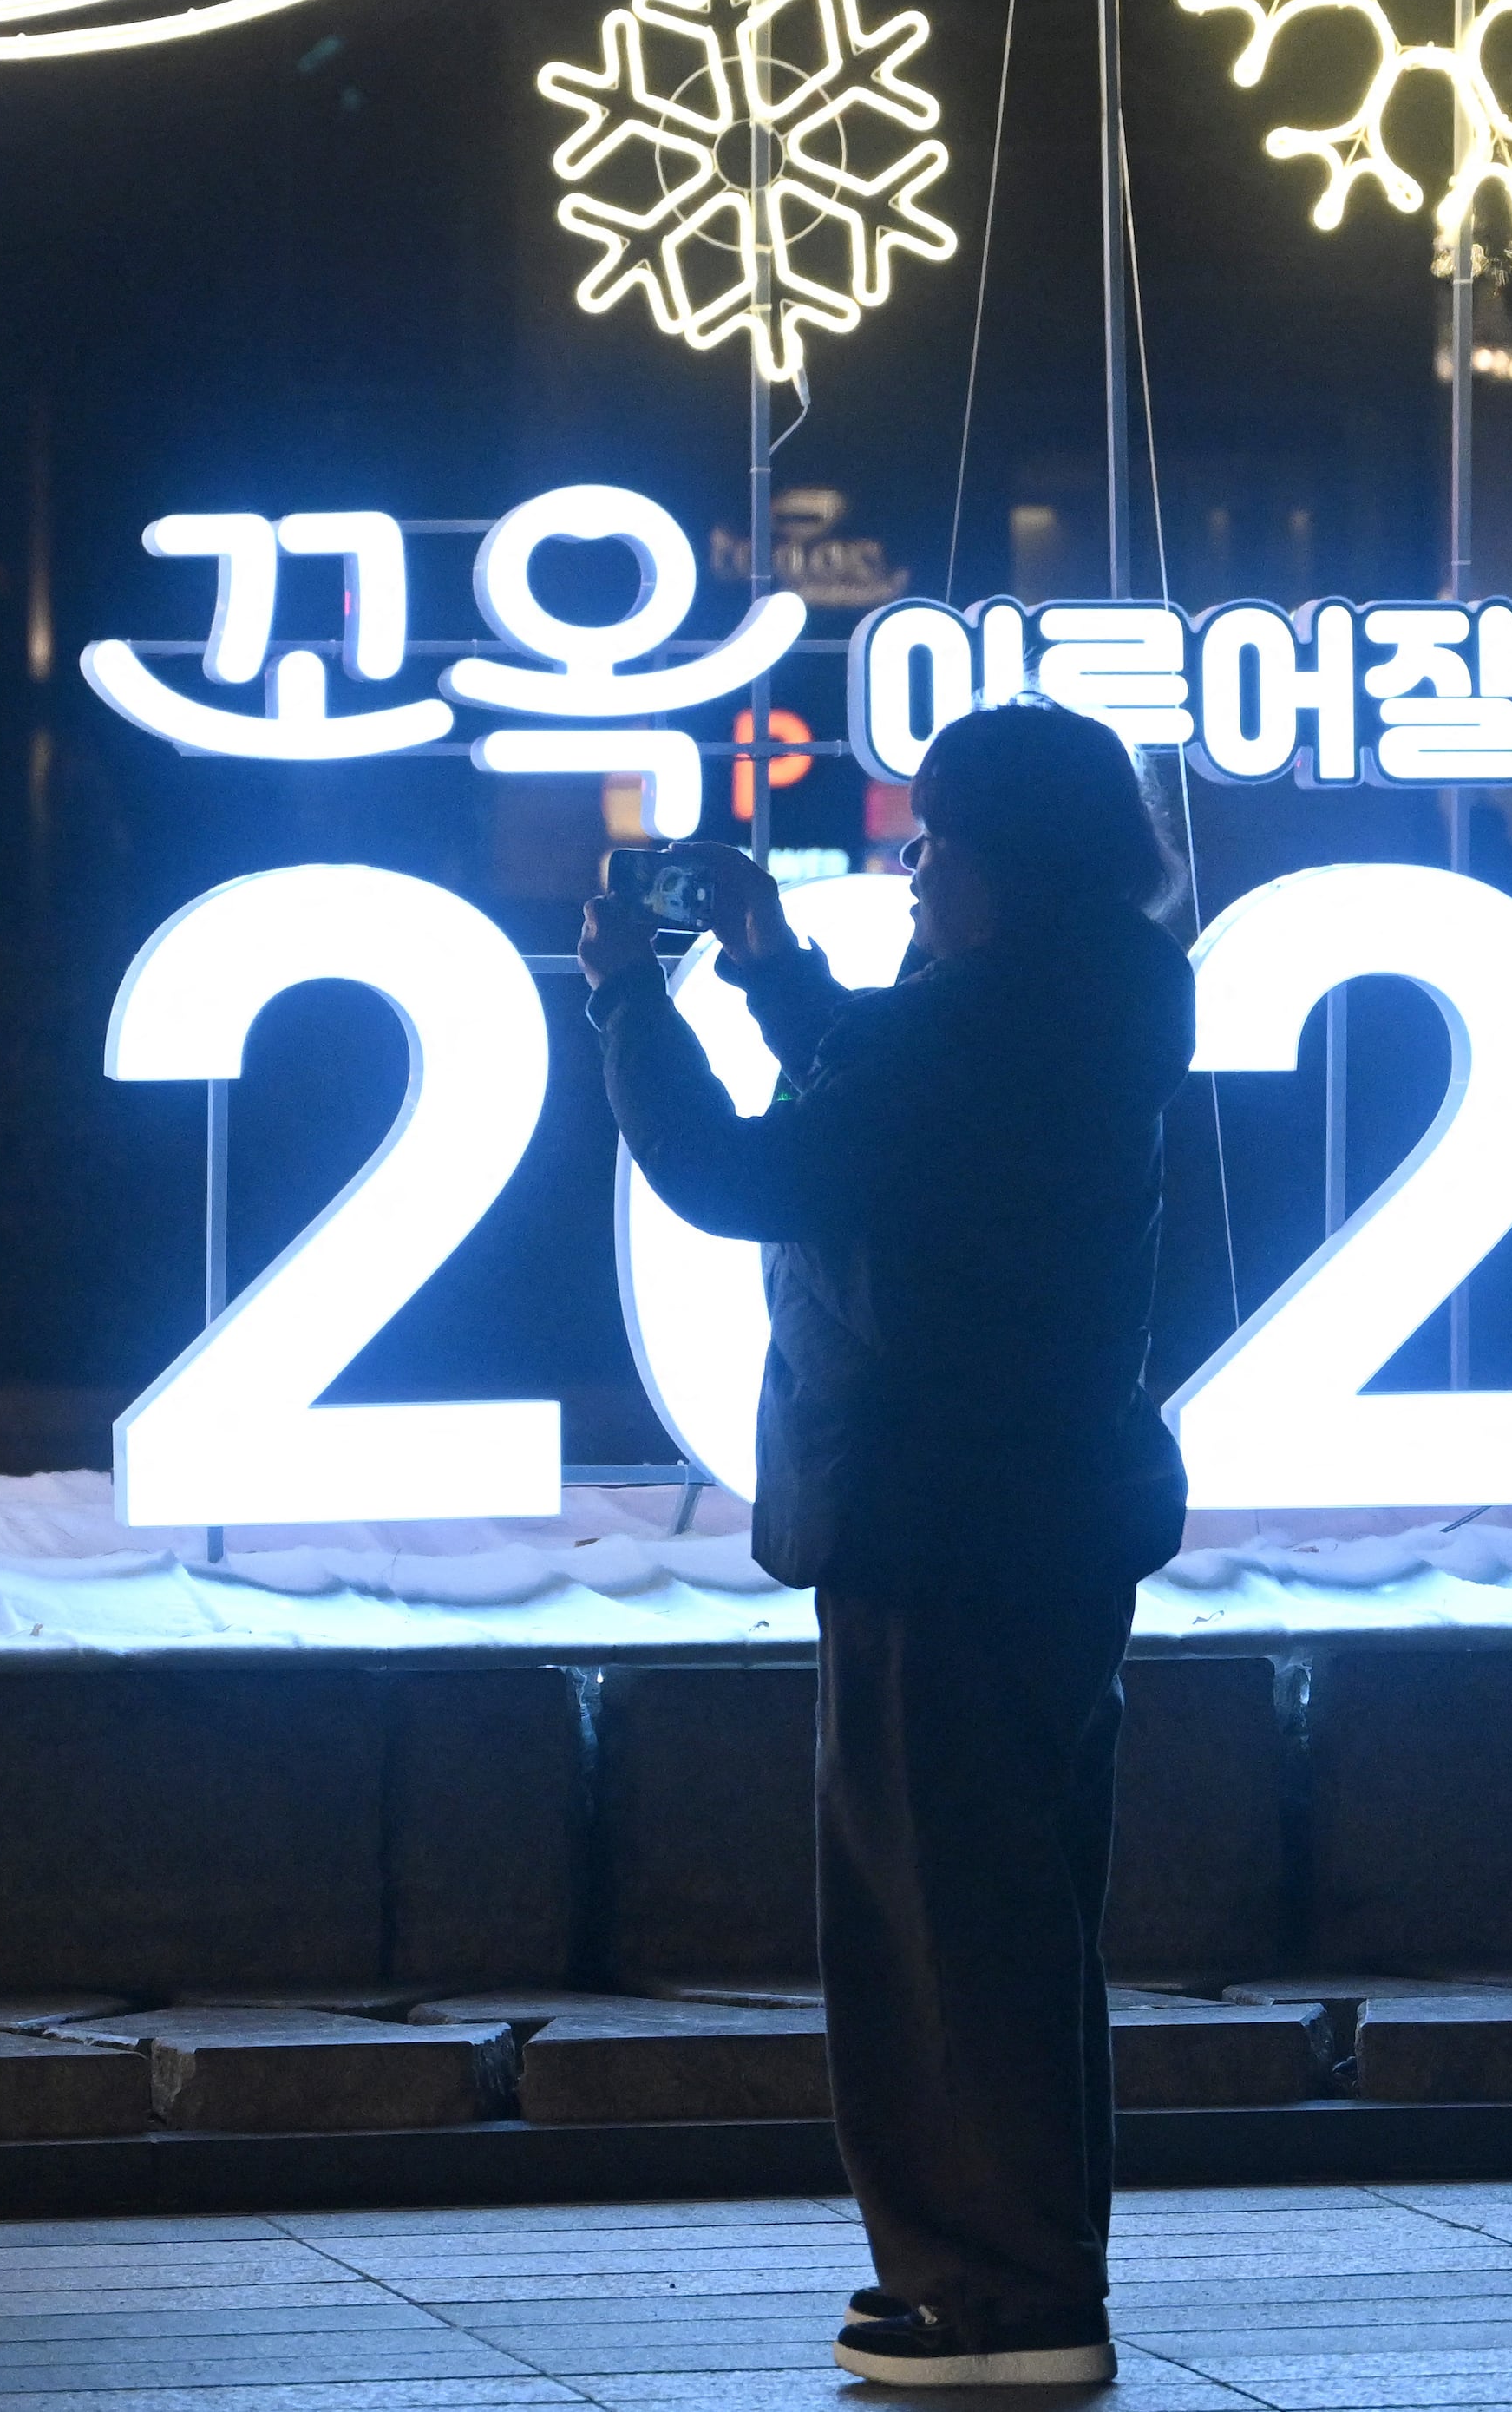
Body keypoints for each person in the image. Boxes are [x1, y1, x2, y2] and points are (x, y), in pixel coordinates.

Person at [578, 696, 1193, 2390]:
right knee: (1015, 1912)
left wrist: (629, 992)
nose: (917, 875)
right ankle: (1017, 2264)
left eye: (933, 844)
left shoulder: (983, 1027)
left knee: (935, 1922)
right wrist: (770, 970)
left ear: (1003, 853)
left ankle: (994, 2294)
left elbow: (727, 1170)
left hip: (933, 1518)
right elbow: (885, 1104)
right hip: (1050, 1512)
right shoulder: (1099, 996)